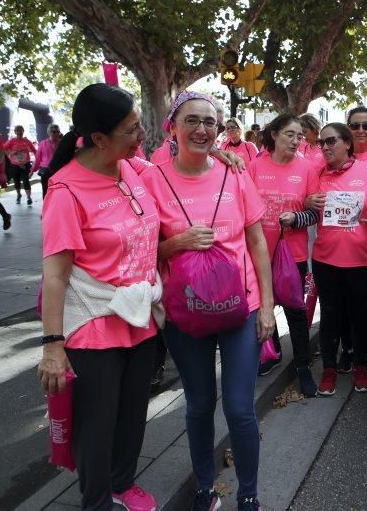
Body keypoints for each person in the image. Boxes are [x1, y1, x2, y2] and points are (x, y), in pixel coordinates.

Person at [142, 91, 274, 511]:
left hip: (242, 307)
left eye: (210, 122)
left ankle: (249, 493)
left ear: (219, 131)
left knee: (239, 409)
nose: (201, 129)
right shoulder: (151, 180)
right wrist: (176, 243)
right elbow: (140, 252)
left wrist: (267, 305)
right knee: (199, 406)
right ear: (173, 127)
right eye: (192, 120)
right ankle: (205, 488)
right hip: (185, 313)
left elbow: (256, 240)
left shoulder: (235, 174)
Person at [37, 84, 160, 511]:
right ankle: (96, 502)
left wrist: (225, 154)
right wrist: (53, 348)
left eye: (139, 124)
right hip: (92, 327)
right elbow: (54, 275)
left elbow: (177, 164)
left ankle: (123, 485)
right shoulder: (66, 191)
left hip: (140, 318)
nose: (140, 134)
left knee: (132, 417)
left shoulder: (131, 168)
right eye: (131, 129)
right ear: (100, 139)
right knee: (97, 427)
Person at [248, 114, 320, 395]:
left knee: (295, 311)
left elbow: (315, 214)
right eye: (290, 134)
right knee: (261, 306)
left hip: (293, 254)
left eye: (300, 135)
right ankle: (272, 351)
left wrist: (296, 218)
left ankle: (302, 365)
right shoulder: (253, 167)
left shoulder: (307, 169)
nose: (296, 140)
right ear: (274, 134)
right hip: (257, 252)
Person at [309, 123, 367, 394]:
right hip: (326, 259)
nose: (325, 147)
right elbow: (305, 207)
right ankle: (329, 369)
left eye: (331, 141)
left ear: (347, 144)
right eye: (322, 143)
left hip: (363, 259)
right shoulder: (316, 173)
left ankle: (360, 365)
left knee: (361, 317)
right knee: (330, 316)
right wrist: (306, 204)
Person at [3, 125, 37, 205]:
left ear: (23, 131)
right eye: (18, 131)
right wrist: (10, 154)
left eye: (21, 130)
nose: (19, 132)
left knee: (26, 180)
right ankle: (18, 195)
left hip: (25, 164)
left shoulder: (27, 141)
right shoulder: (12, 141)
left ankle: (28, 197)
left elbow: (34, 150)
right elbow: (4, 148)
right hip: (15, 164)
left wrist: (36, 160)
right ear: (15, 132)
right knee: (16, 181)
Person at [33, 123, 62, 198]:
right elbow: (38, 158)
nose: (56, 133)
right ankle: (46, 206)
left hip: (58, 170)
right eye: (54, 131)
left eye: (58, 132)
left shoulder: (61, 143)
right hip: (46, 170)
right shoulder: (43, 143)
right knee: (45, 189)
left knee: (58, 189)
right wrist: (32, 170)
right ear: (49, 132)